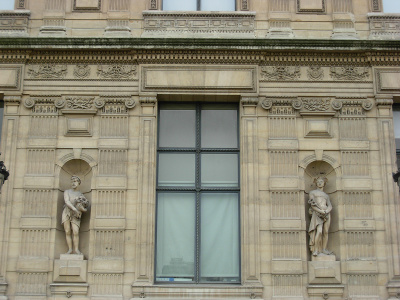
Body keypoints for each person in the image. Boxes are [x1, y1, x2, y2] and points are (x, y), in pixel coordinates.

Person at [62, 175, 89, 255]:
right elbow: (67, 201)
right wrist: (75, 209)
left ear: (78, 183)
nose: (73, 183)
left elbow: (83, 205)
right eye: (72, 181)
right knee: (67, 231)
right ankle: (70, 249)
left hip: (76, 214)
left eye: (75, 181)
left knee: (76, 231)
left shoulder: (80, 194)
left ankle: (76, 249)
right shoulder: (67, 191)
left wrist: (82, 209)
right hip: (67, 212)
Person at [308, 176, 333, 256]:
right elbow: (313, 205)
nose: (319, 183)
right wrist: (320, 211)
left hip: (326, 213)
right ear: (316, 183)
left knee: (325, 232)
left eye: (321, 181)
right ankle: (315, 249)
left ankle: (324, 249)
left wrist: (326, 211)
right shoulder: (312, 193)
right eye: (318, 181)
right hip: (317, 213)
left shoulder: (326, 195)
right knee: (319, 231)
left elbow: (330, 205)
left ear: (324, 183)